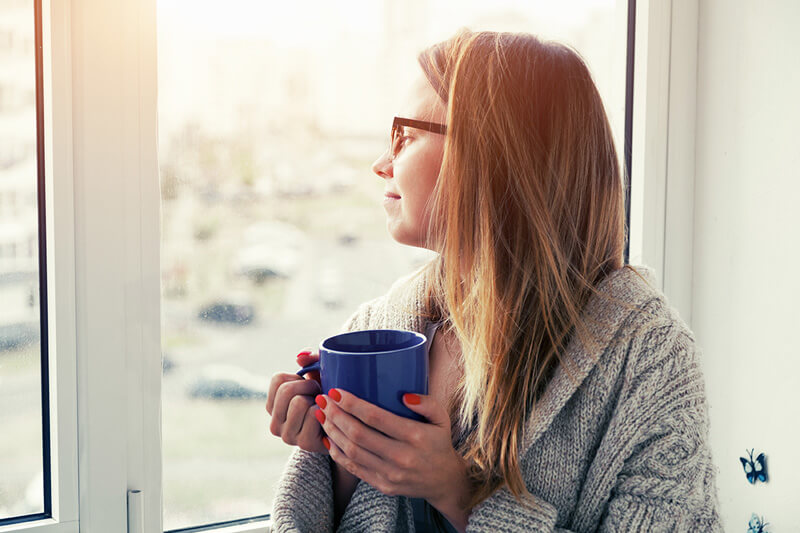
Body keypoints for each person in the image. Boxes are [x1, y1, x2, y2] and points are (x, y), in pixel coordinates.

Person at [266, 29, 721, 532]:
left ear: (491, 153)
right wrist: (331, 452)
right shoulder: (378, 327)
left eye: (406, 135)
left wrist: (458, 493)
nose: (381, 164)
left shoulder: (650, 360)